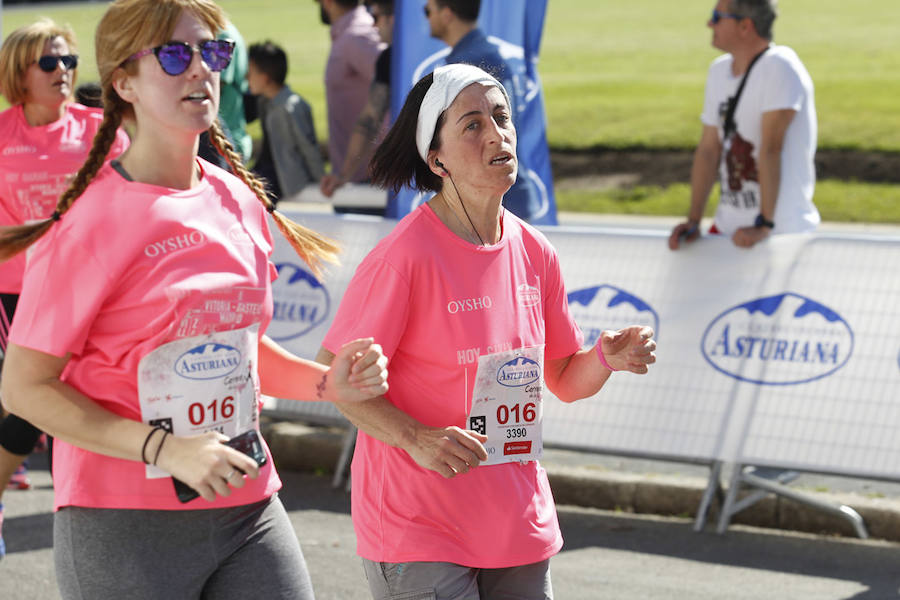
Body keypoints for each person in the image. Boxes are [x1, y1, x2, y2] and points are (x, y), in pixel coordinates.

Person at [0, 1, 387, 597]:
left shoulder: (239, 200)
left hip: (246, 503)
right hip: (123, 521)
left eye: (215, 51)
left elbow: (242, 350)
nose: (201, 69)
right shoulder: (91, 222)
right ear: (123, 81)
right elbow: (23, 387)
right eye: (176, 54)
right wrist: (166, 448)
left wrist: (328, 384)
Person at [316, 64, 657, 599]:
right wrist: (416, 439)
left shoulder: (535, 251)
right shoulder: (404, 258)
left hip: (515, 526)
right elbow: (332, 375)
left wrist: (605, 359)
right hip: (419, 528)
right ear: (438, 159)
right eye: (471, 125)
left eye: (501, 117)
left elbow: (565, 379)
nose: (495, 134)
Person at [0, 18, 129, 560]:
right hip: (17, 292)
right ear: (19, 72)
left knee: (66, 403)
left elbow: (125, 208)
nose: (63, 72)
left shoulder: (101, 130)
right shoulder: (3, 133)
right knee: (29, 406)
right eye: (49, 63)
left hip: (88, 293)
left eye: (69, 61)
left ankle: (91, 519)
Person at [668, 0, 818, 250]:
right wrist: (693, 220)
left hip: (778, 234)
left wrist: (764, 225)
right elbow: (709, 149)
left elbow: (771, 148)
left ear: (745, 26)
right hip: (730, 231)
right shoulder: (719, 71)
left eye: (717, 17)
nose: (709, 24)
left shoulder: (779, 67)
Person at [425, 0, 545, 222]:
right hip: (500, 194)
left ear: (447, 14)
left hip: (497, 199)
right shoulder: (477, 54)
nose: (426, 18)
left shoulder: (473, 61)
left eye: (428, 10)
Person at [320, 0, 394, 198]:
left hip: (369, 182)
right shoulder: (351, 33)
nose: (374, 23)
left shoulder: (357, 36)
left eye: (377, 17)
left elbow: (396, 94)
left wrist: (345, 173)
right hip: (356, 178)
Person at [246, 40, 324, 202]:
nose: (246, 78)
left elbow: (308, 147)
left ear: (265, 78)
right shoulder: (264, 102)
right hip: (266, 172)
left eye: (250, 73)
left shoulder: (293, 107)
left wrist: (321, 179)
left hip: (285, 181)